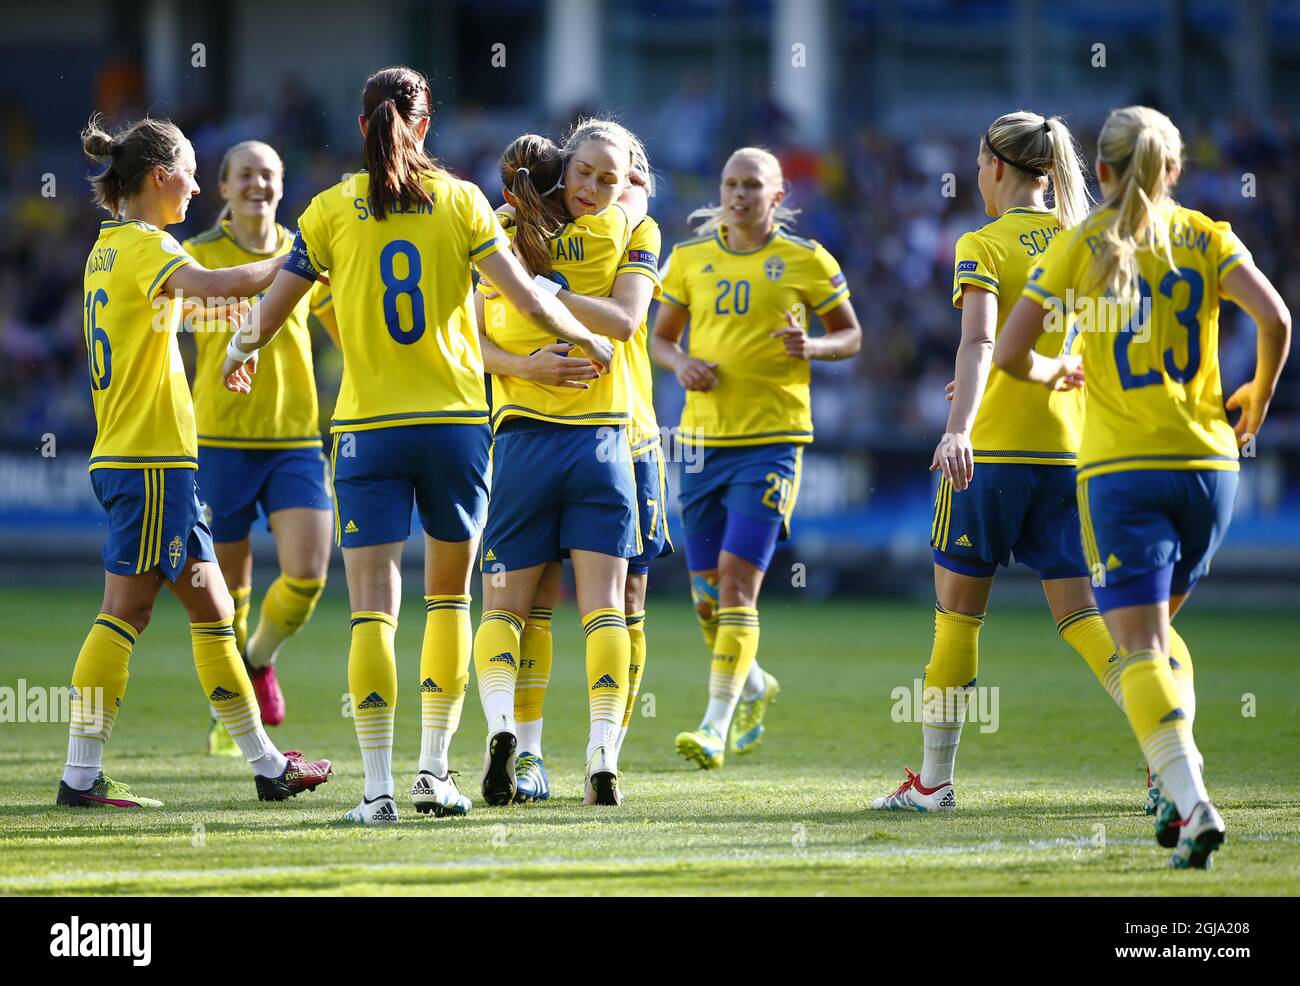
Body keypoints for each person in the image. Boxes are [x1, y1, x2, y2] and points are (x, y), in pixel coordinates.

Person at [221, 67, 611, 825]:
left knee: (372, 612)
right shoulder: (463, 202)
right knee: (447, 599)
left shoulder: (331, 209)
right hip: (457, 427)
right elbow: (531, 300)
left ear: (363, 126)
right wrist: (587, 336)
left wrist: (238, 356)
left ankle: (377, 792)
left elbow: (267, 318)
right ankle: (436, 771)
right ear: (424, 126)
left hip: (369, 431)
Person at [994, 105, 1291, 868]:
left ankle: (1192, 803)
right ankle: (1168, 780)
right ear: (1174, 171)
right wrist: (1255, 396)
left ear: (1099, 173)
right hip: (1210, 470)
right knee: (1160, 642)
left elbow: (1009, 354)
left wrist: (1053, 370)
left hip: (1124, 473)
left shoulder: (1081, 245)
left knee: (1141, 647)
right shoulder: (1206, 236)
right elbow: (1277, 318)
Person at [62, 114, 332, 809]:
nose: (194, 187)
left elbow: (185, 317)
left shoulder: (109, 249)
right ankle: (81, 777)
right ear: (161, 176)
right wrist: (298, 259)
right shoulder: (148, 245)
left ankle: (268, 767)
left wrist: (241, 352)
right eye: (189, 171)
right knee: (125, 614)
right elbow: (220, 286)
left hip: (143, 460)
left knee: (212, 612)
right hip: (151, 462)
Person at [869, 111, 1126, 812]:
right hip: (1066, 456)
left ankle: (933, 782)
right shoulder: (1084, 242)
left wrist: (958, 426)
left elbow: (981, 343)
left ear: (995, 167)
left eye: (979, 164)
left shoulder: (981, 243)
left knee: (956, 620)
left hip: (987, 456)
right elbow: (1098, 349)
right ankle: (1165, 757)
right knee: (1083, 619)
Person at [652, 147, 862, 770]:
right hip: (700, 442)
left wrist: (814, 347)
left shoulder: (806, 260)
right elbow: (660, 339)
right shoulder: (690, 259)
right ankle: (754, 683)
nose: (738, 194)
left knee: (739, 585)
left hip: (771, 441)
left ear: (778, 196)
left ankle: (714, 726)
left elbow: (851, 335)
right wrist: (682, 363)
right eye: (730, 184)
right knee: (704, 596)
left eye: (752, 186)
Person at [476, 122, 665, 803]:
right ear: (562, 166)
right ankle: (598, 753)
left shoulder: (501, 225)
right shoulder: (631, 228)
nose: (593, 187)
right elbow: (623, 321)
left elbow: (469, 337)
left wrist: (539, 292)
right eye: (584, 172)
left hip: (531, 440)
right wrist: (535, 342)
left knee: (514, 606)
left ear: (626, 181)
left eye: (608, 179)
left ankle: (519, 742)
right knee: (606, 606)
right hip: (605, 441)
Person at [182, 140, 336, 755]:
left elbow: (344, 330)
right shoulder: (194, 258)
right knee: (231, 589)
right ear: (222, 188)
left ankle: (259, 660)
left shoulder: (309, 253)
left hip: (295, 440)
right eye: (245, 174)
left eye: (268, 174)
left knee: (308, 575)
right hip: (218, 442)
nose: (258, 184)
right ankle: (234, 719)